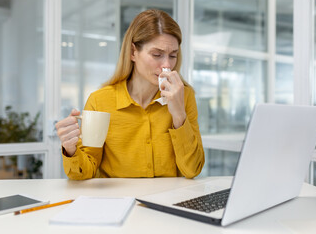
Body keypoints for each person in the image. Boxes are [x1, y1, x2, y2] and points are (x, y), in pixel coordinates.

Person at [55, 9, 204, 180]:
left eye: (173, 56)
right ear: (133, 52)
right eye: (157, 54)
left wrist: (179, 115)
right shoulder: (100, 101)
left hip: (166, 202)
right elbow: (85, 171)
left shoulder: (184, 96)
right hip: (117, 201)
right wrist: (71, 149)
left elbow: (192, 170)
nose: (166, 65)